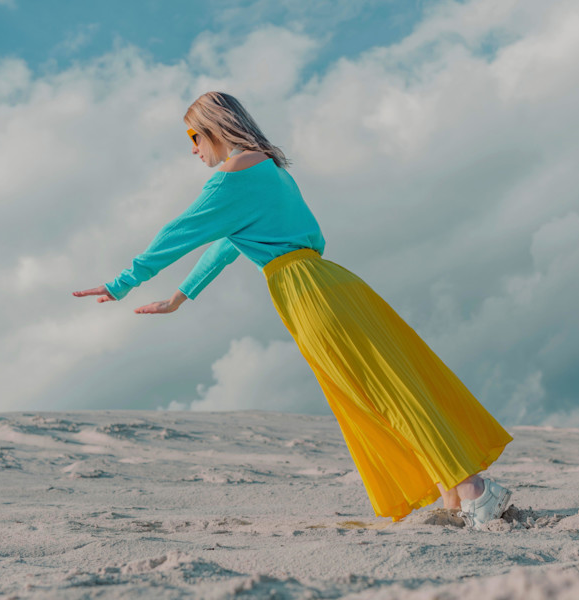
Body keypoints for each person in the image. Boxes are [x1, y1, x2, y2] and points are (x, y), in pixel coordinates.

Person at [73, 91, 514, 529]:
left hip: (309, 293)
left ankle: (474, 490)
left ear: (213, 128)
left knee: (382, 394)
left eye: (193, 137)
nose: (193, 149)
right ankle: (455, 494)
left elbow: (179, 232)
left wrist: (122, 283)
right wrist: (180, 296)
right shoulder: (268, 168)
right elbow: (226, 244)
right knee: (389, 387)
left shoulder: (231, 177)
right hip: (329, 284)